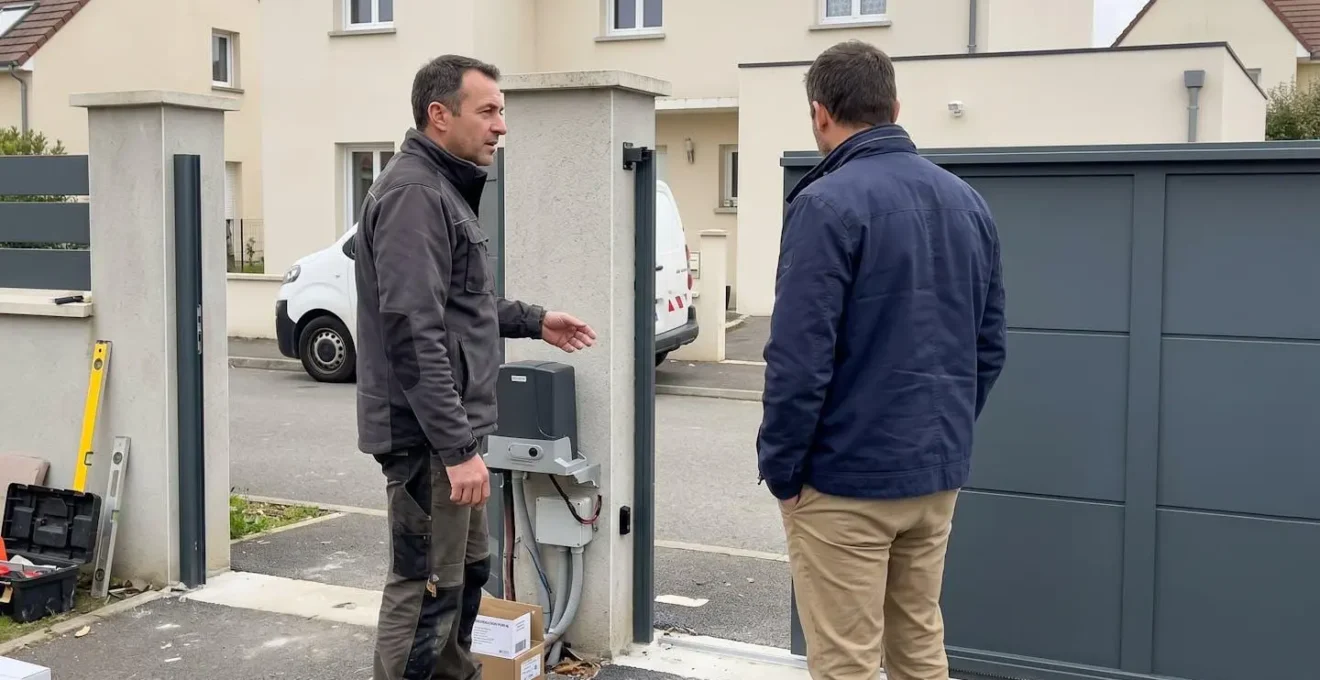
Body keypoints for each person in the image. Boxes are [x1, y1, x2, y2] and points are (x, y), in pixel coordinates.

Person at [757, 40, 1007, 680]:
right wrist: (944, 431)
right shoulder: (968, 203)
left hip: (846, 482)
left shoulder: (825, 204)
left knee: (847, 663)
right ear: (895, 106)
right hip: (933, 477)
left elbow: (797, 361)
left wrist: (784, 470)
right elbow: (989, 344)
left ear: (819, 114)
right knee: (919, 649)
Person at [354, 54, 597, 680]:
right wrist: (458, 448)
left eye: (501, 112)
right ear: (440, 115)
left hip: (450, 439)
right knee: (426, 591)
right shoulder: (415, 195)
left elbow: (458, 305)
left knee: (465, 581)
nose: (500, 126)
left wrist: (533, 319)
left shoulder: (440, 191)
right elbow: (413, 331)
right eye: (488, 111)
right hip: (432, 442)